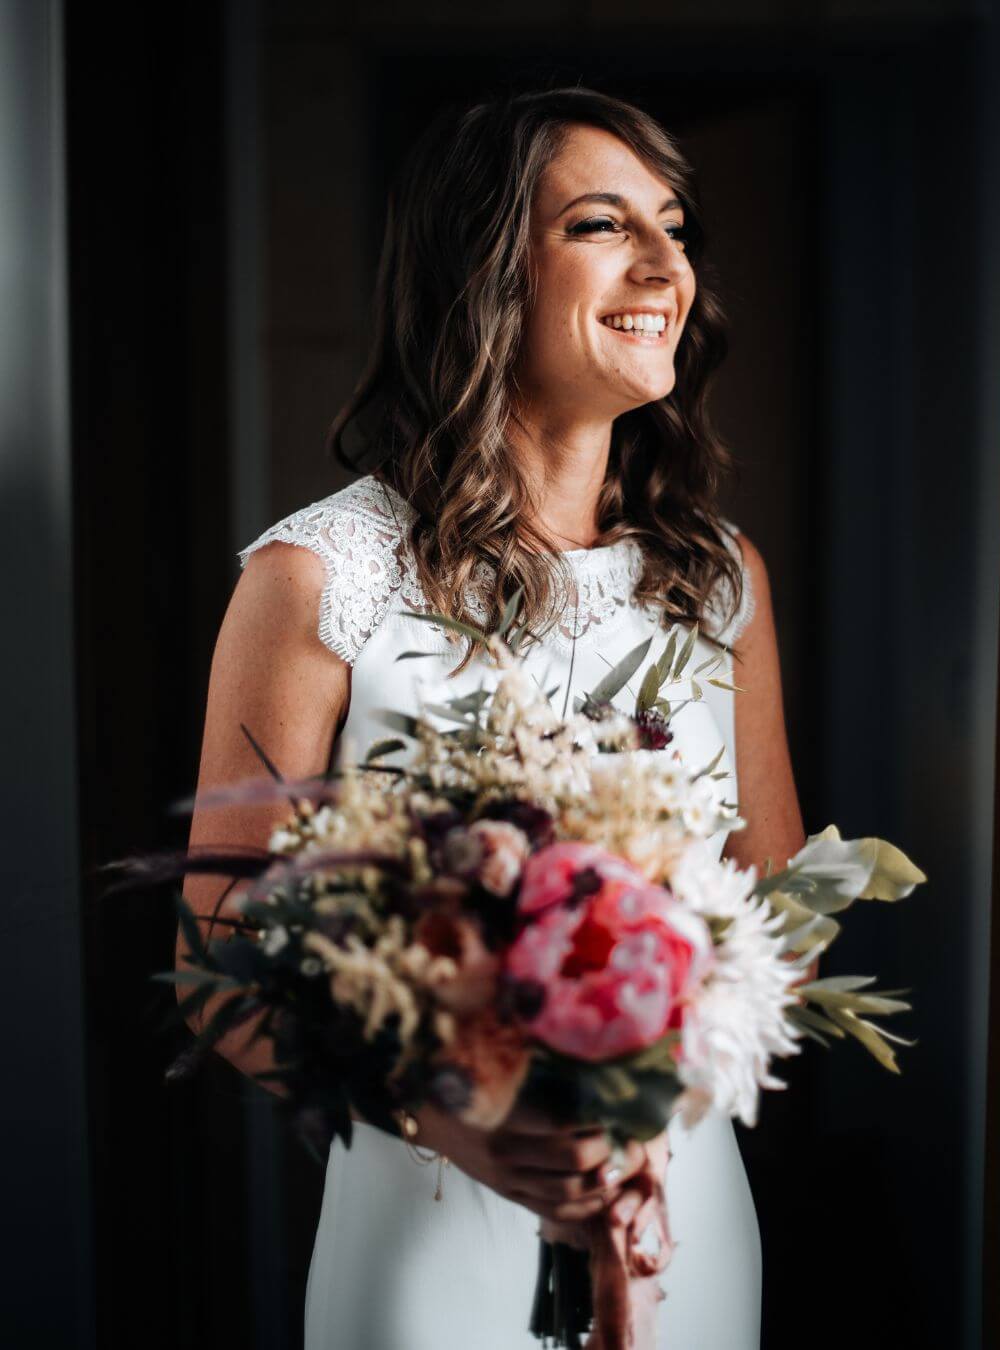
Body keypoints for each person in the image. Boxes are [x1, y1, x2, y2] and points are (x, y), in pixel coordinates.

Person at [178, 86, 809, 1349]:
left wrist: (643, 1085)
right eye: (600, 224)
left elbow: (777, 915)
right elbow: (221, 962)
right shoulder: (317, 581)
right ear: (485, 271)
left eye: (675, 228)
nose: (664, 265)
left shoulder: (720, 579)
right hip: (428, 1240)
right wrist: (456, 1111)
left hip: (683, 1229)